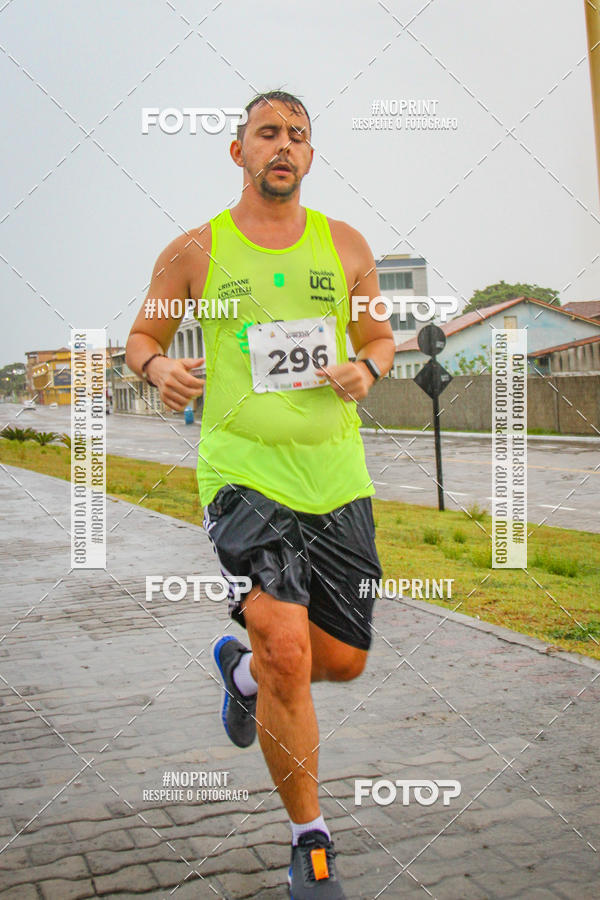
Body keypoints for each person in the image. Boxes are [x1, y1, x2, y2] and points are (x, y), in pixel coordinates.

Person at [126, 89, 395, 899]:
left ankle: (240, 677)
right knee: (288, 648)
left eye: (299, 137)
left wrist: (368, 367)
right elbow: (144, 335)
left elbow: (378, 334)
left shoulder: (345, 246)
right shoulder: (194, 252)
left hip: (337, 480)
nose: (284, 146)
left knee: (340, 662)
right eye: (268, 133)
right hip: (244, 476)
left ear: (310, 157)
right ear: (237, 150)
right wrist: (158, 368)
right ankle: (310, 844)